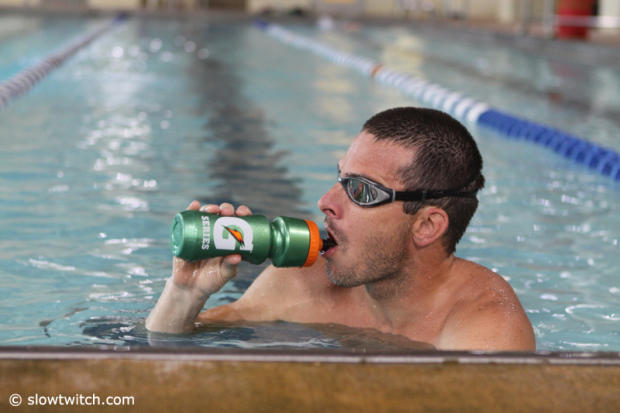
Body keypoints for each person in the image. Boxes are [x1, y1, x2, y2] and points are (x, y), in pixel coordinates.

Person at [146, 107, 536, 351]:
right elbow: (162, 353)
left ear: (426, 225)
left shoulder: (485, 332)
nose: (325, 201)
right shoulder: (302, 281)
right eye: (340, 178)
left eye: (361, 190)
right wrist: (184, 294)